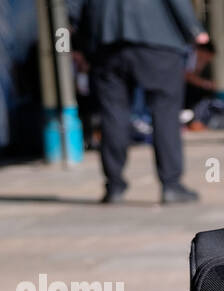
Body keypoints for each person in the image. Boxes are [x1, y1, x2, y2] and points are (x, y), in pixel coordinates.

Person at [68, 0, 206, 204]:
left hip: (105, 40)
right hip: (157, 37)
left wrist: (83, 37)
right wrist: (195, 30)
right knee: (165, 111)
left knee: (112, 114)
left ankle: (114, 186)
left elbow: (72, 8)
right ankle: (171, 185)